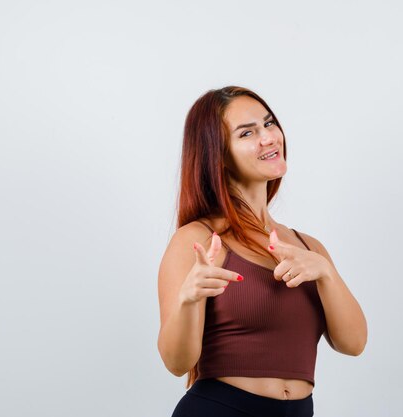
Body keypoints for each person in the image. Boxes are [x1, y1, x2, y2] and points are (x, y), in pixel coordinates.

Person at [157, 86, 367, 417]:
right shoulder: (197, 240)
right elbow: (176, 362)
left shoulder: (308, 247)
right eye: (247, 132)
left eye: (269, 124)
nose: (269, 137)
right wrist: (189, 298)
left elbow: (353, 344)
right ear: (219, 155)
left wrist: (326, 273)